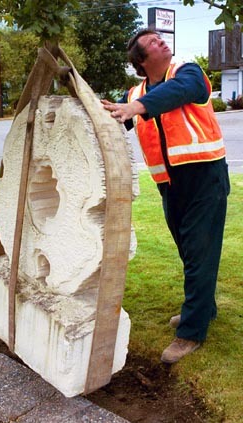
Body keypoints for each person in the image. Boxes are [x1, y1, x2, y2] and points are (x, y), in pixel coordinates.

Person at [102, 28, 230, 364]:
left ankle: (190, 332)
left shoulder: (187, 73)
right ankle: (204, 308)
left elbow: (181, 92)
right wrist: (101, 107)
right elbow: (115, 118)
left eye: (161, 39)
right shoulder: (136, 92)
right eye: (154, 43)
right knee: (189, 251)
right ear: (142, 62)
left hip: (205, 177)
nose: (163, 42)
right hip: (170, 186)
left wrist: (136, 107)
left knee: (201, 252)